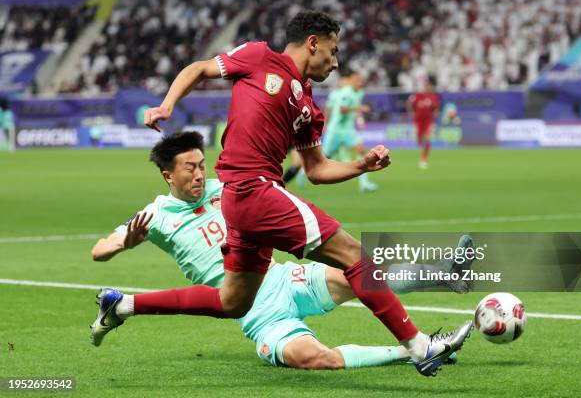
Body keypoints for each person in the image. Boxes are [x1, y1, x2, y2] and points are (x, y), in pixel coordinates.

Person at [113, 10, 470, 377]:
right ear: (312, 43)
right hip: (253, 188)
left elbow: (316, 169)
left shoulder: (308, 107)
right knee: (352, 255)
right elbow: (198, 69)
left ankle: (124, 305)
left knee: (234, 301)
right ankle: (419, 346)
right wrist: (167, 104)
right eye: (332, 52)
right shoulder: (257, 56)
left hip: (241, 202)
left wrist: (360, 166)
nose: (335, 62)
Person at [90, 131, 464, 369]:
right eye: (189, 169)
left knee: (359, 272)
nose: (200, 175)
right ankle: (410, 351)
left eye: (203, 165)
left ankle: (444, 273)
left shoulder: (228, 189)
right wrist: (125, 244)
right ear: (168, 175)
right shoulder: (154, 215)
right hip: (258, 314)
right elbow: (100, 250)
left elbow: (270, 189)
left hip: (286, 278)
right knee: (316, 359)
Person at [322, 70, 378, 192]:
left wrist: (359, 118)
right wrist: (360, 108)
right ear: (351, 81)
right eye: (356, 80)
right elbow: (342, 109)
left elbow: (355, 109)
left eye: (360, 81)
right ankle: (302, 172)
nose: (359, 83)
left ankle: (364, 184)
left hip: (347, 130)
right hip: (335, 130)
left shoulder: (360, 92)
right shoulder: (346, 93)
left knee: (363, 152)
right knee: (323, 158)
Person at [407, 76, 440, 169]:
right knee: (419, 141)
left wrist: (436, 112)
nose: (428, 88)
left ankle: (423, 160)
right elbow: (409, 103)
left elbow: (436, 107)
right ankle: (422, 155)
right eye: (427, 86)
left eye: (430, 86)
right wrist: (412, 112)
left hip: (428, 121)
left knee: (427, 139)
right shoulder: (417, 96)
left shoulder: (433, 97)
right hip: (418, 121)